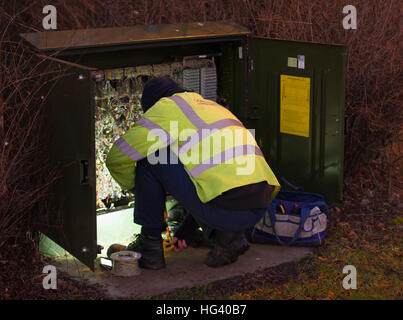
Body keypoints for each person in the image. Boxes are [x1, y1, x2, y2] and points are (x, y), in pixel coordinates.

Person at [106, 77, 280, 269]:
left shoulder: (164, 109)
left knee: (151, 158)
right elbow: (215, 179)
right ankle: (229, 237)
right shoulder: (211, 107)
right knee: (188, 164)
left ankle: (150, 247)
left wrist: (141, 190)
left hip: (224, 211)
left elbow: (117, 158)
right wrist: (188, 227)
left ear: (153, 104)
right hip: (256, 211)